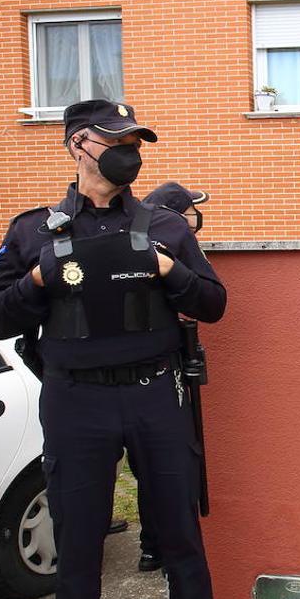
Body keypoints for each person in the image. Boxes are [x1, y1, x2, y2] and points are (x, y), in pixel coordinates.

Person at [0, 99, 241, 599]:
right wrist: (37, 279)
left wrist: (171, 270)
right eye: (117, 139)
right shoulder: (34, 230)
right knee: (79, 538)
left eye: (136, 139)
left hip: (155, 393)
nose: (131, 150)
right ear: (79, 146)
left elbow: (213, 304)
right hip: (76, 404)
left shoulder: (167, 228)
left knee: (177, 525)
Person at [107, 181, 208, 574]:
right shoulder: (151, 249)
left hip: (149, 374)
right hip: (150, 376)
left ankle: (154, 546)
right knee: (159, 471)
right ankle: (159, 548)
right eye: (188, 211)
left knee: (148, 471)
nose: (192, 220)